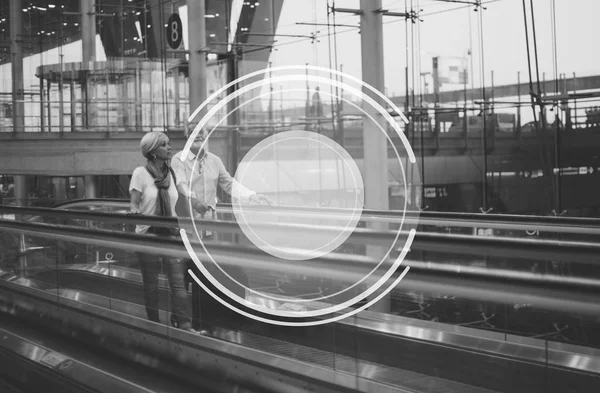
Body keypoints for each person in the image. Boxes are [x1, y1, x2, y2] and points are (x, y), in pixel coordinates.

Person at [171, 128, 272, 331]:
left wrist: (252, 196)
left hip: (208, 229)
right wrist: (195, 201)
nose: (198, 135)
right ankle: (180, 318)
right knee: (183, 276)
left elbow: (229, 184)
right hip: (185, 227)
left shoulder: (214, 161)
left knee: (204, 275)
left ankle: (200, 321)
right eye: (193, 133)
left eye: (202, 133)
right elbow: (181, 185)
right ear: (187, 137)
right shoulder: (178, 160)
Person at [128, 131, 202, 334]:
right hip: (148, 235)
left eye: (169, 144)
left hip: (170, 234)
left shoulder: (172, 174)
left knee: (178, 284)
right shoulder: (140, 174)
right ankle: (154, 326)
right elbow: (134, 204)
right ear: (152, 151)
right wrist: (135, 211)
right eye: (164, 145)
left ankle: (185, 326)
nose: (169, 148)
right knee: (151, 285)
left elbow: (180, 201)